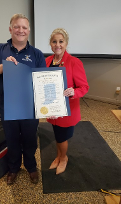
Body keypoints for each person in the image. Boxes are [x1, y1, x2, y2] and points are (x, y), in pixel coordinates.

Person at [0, 14, 46, 184]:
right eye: (17, 27)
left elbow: (44, 81)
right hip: (7, 107)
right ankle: (13, 168)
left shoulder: (37, 54)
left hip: (29, 107)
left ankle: (31, 167)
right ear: (10, 29)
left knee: (30, 140)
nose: (20, 30)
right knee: (12, 140)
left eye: (24, 27)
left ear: (29, 31)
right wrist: (2, 67)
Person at [45, 28, 89, 174]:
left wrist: (73, 91)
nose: (57, 44)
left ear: (66, 43)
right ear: (50, 44)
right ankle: (58, 156)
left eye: (61, 41)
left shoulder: (74, 62)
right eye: (54, 41)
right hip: (52, 110)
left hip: (67, 110)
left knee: (62, 137)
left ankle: (64, 158)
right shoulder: (47, 61)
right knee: (57, 134)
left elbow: (84, 87)